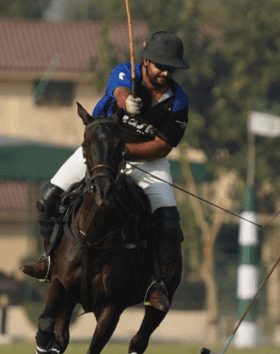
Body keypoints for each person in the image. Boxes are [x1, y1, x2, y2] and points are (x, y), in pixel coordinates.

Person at [21, 30, 190, 312]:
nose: (165, 72)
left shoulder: (178, 100)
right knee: (47, 199)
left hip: (147, 161)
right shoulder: (126, 73)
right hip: (99, 152)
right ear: (146, 61)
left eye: (171, 67)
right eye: (160, 65)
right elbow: (120, 92)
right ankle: (49, 261)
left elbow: (162, 146)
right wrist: (128, 103)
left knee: (169, 223)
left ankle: (156, 284)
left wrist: (123, 151)